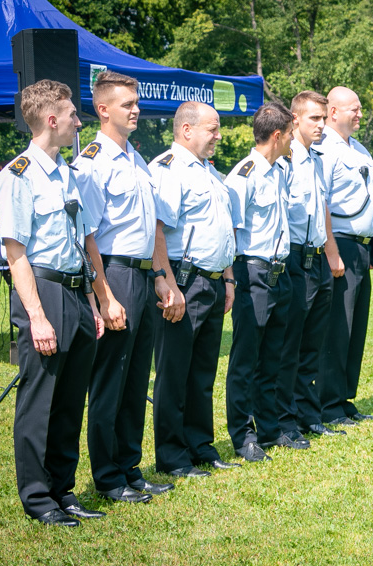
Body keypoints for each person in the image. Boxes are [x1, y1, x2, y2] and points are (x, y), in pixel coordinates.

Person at [0, 79, 104, 526]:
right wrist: (37, 316)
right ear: (52, 119)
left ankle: (63, 489)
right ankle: (38, 498)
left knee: (70, 398)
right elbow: (16, 254)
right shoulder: (17, 175)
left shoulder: (70, 173)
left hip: (76, 291)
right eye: (74, 114)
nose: (80, 120)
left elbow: (81, 242)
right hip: (43, 291)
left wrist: (93, 304)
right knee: (40, 400)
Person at [74, 71, 173, 505]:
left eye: (137, 102)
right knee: (110, 380)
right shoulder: (92, 163)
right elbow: (88, 236)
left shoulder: (136, 158)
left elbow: (150, 228)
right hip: (113, 275)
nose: (136, 109)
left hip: (142, 275)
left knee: (135, 380)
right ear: (103, 109)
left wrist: (160, 275)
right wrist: (105, 297)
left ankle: (130, 466)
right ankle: (107, 476)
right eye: (127, 103)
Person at [150, 102, 237, 477]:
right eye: (212, 129)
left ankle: (200, 444)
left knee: (202, 372)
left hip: (214, 280)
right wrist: (168, 282)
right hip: (185, 281)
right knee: (174, 372)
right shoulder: (169, 170)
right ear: (187, 130)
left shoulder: (208, 172)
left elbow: (221, 228)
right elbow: (157, 230)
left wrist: (229, 277)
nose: (218, 136)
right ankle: (172, 455)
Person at [225, 102, 301, 461]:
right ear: (276, 135)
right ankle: (243, 436)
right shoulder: (245, 174)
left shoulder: (279, 171)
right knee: (246, 360)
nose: (291, 141)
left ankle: (269, 430)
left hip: (278, 272)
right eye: (289, 135)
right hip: (252, 273)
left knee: (273, 357)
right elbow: (233, 232)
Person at [272, 92, 342, 437]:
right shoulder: (283, 161)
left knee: (312, 343)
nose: (321, 124)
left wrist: (331, 252)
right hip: (294, 258)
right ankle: (284, 421)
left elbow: (323, 208)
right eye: (314, 118)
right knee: (290, 345)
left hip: (317, 258)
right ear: (295, 119)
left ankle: (308, 415)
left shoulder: (317, 158)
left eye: (324, 118)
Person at [314, 87, 373, 426]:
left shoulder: (358, 148)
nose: (359, 114)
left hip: (360, 246)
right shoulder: (324, 149)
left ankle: (344, 397)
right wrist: (332, 251)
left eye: (360, 108)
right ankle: (328, 403)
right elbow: (321, 201)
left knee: (356, 328)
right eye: (353, 109)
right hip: (339, 244)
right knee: (338, 327)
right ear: (333, 112)